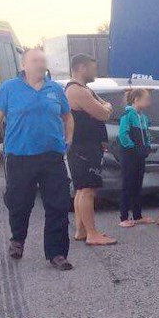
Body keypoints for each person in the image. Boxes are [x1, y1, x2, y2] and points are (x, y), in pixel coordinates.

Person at [0, 48, 75, 270]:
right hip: (19, 156)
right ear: (24, 65)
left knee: (58, 204)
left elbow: (68, 117)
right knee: (19, 202)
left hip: (52, 156)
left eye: (43, 60)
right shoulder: (9, 88)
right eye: (35, 60)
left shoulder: (55, 89)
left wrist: (67, 142)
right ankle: (17, 239)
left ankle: (57, 253)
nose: (40, 64)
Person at [64, 53, 115, 245]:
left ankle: (81, 230)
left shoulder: (85, 89)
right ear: (82, 68)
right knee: (87, 190)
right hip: (83, 148)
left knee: (81, 190)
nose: (95, 72)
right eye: (93, 68)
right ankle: (92, 234)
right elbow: (104, 113)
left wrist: (105, 106)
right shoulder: (78, 91)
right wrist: (105, 107)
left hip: (84, 147)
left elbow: (104, 106)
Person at [117, 87, 156, 228]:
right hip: (129, 156)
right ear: (136, 100)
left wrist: (147, 146)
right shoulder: (127, 115)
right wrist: (133, 147)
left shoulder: (143, 118)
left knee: (138, 185)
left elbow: (146, 135)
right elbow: (123, 135)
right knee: (128, 185)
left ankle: (138, 215)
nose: (149, 102)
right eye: (146, 99)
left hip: (140, 156)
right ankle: (123, 217)